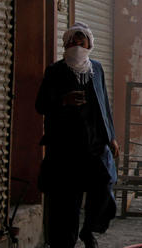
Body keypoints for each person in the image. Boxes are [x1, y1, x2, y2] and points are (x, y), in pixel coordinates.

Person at [35, 22, 119, 248]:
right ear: (65, 45)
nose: (77, 46)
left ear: (90, 44)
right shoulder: (55, 71)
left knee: (103, 188)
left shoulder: (97, 69)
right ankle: (65, 242)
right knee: (66, 202)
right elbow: (41, 105)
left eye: (81, 41)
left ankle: (89, 229)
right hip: (65, 149)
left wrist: (111, 136)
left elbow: (104, 104)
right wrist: (63, 100)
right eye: (72, 41)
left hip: (94, 145)